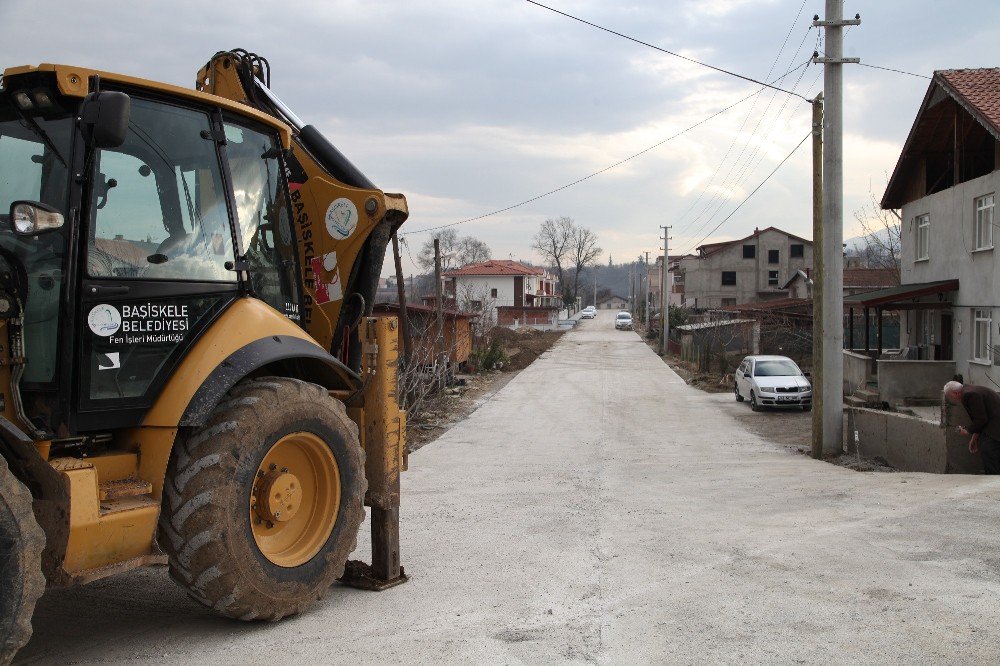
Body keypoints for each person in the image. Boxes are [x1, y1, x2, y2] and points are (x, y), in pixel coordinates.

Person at [943, 380, 1000, 474]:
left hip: (996, 426)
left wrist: (968, 431)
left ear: (956, 393)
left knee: (988, 451)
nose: (950, 399)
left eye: (949, 396)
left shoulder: (969, 395)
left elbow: (981, 419)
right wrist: (975, 436)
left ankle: (993, 481)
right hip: (993, 425)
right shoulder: (967, 390)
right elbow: (979, 416)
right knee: (989, 451)